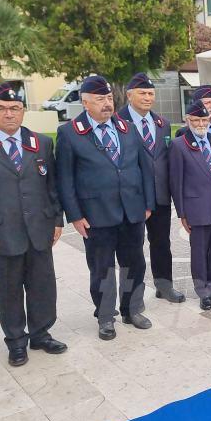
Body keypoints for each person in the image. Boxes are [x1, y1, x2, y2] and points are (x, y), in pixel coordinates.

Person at [0, 82, 66, 367]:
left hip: (39, 230)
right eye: (2, 109)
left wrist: (57, 219)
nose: (9, 114)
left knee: (42, 287)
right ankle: (16, 342)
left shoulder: (41, 142)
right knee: (9, 291)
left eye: (15, 108)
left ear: (22, 111)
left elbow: (52, 187)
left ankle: (41, 334)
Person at [55, 75, 156, 341]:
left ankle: (132, 309)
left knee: (134, 264)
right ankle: (105, 316)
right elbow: (64, 179)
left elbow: (144, 167)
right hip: (95, 215)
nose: (107, 104)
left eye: (109, 98)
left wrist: (147, 203)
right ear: (85, 103)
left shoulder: (126, 127)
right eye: (100, 100)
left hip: (131, 211)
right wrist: (75, 215)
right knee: (103, 269)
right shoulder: (69, 133)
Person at [116, 73, 184, 304]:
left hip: (160, 196)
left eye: (151, 94)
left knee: (162, 243)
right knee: (131, 249)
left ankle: (164, 286)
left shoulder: (162, 124)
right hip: (131, 197)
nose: (147, 97)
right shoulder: (117, 122)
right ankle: (132, 297)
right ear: (129, 95)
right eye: (142, 93)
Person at [169, 100, 211, 309]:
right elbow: (176, 182)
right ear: (187, 120)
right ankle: (203, 291)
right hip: (196, 208)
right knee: (199, 252)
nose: (200, 124)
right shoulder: (179, 145)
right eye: (195, 120)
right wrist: (182, 213)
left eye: (204, 119)